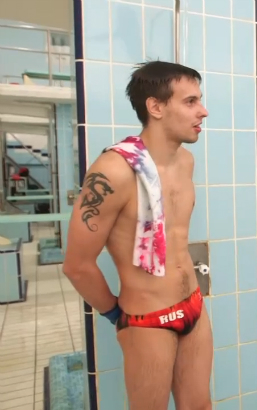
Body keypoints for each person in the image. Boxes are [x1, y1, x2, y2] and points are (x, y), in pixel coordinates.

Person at [62, 61, 211, 410]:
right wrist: (117, 316)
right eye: (190, 101)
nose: (203, 111)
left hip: (193, 305)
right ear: (155, 107)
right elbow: (77, 265)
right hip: (148, 320)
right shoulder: (113, 171)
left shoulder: (186, 161)